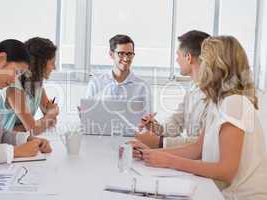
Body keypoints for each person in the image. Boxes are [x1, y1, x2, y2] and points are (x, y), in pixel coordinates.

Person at [130, 36, 267, 200]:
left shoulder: (235, 103)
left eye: (204, 60)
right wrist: (150, 153)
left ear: (217, 65)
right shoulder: (216, 102)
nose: (200, 65)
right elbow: (197, 149)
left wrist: (169, 160)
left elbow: (226, 171)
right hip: (221, 193)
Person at [0, 39, 52, 171]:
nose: (14, 80)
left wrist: (28, 140)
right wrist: (15, 152)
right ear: (1, 59)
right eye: (16, 72)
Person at [136, 30, 210, 148]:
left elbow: (203, 144)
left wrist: (159, 143)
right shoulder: (193, 87)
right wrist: (156, 128)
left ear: (188, 58)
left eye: (178, 55)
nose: (176, 60)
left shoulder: (213, 95)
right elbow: (176, 121)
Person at [0, 37, 59, 135]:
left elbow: (50, 121)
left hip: (19, 141)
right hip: (3, 144)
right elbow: (33, 129)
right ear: (40, 64)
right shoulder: (14, 88)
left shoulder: (37, 86)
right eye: (52, 63)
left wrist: (48, 116)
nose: (54, 67)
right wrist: (49, 116)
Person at [85, 34, 151, 113]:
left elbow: (147, 117)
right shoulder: (96, 83)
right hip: (102, 125)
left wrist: (150, 123)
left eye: (129, 54)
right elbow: (88, 115)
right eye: (121, 53)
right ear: (111, 54)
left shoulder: (142, 86)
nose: (126, 58)